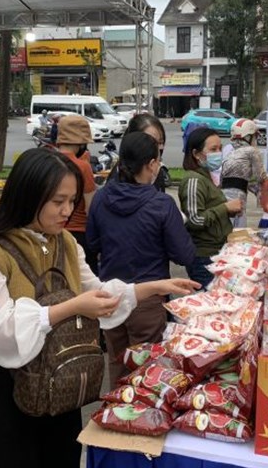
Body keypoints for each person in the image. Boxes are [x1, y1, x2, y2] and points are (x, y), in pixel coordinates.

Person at [0, 148, 198, 467]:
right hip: (9, 389)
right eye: (58, 201)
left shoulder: (66, 243)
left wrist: (154, 288)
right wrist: (72, 307)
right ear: (28, 195)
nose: (67, 211)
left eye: (72, 201)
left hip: (63, 384)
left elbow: (98, 295)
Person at [87, 133, 196, 384]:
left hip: (110, 295)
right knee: (148, 375)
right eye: (157, 160)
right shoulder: (161, 204)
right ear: (150, 164)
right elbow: (184, 254)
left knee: (118, 367)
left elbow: (92, 244)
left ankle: (115, 419)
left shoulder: (102, 198)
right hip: (148, 298)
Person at [180, 127, 242, 288]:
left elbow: (211, 210)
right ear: (196, 154)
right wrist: (225, 208)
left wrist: (228, 211)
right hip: (203, 257)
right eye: (213, 149)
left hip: (216, 253)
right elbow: (195, 219)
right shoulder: (193, 180)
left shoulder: (206, 176)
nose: (218, 153)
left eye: (220, 148)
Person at [56, 115, 99, 273]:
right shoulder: (82, 167)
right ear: (81, 143)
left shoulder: (47, 161)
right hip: (79, 234)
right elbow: (90, 208)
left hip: (51, 232)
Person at [221, 118, 266, 228]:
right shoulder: (251, 151)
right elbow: (261, 177)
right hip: (238, 195)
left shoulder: (228, 149)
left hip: (222, 193)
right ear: (248, 136)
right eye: (254, 136)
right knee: (239, 231)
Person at [124, 113, 171, 192]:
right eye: (152, 142)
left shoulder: (157, 172)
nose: (160, 147)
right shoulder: (120, 177)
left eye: (160, 142)